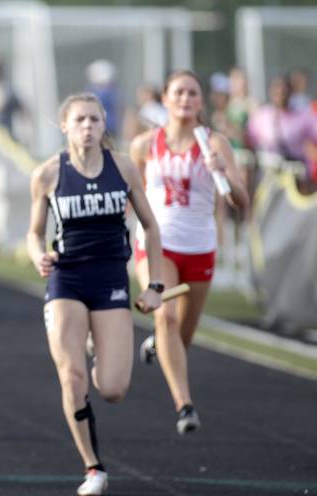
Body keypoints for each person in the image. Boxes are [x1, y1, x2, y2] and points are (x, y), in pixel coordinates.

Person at [26, 92, 164, 496]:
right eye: (80, 120)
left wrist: (154, 285)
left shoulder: (122, 167)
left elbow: (150, 227)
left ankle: (97, 341)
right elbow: (35, 234)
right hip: (66, 279)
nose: (88, 127)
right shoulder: (48, 174)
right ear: (64, 125)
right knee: (72, 376)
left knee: (113, 389)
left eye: (95, 120)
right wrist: (39, 257)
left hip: (110, 279)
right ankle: (93, 467)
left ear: (105, 126)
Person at [130, 70, 249, 435]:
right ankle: (185, 405)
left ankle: (158, 344)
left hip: (200, 246)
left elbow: (241, 202)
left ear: (202, 101)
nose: (185, 99)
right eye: (178, 92)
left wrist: (223, 175)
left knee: (182, 334)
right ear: (165, 98)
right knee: (165, 317)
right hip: (157, 242)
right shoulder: (145, 145)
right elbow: (130, 196)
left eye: (192, 93)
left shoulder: (216, 145)